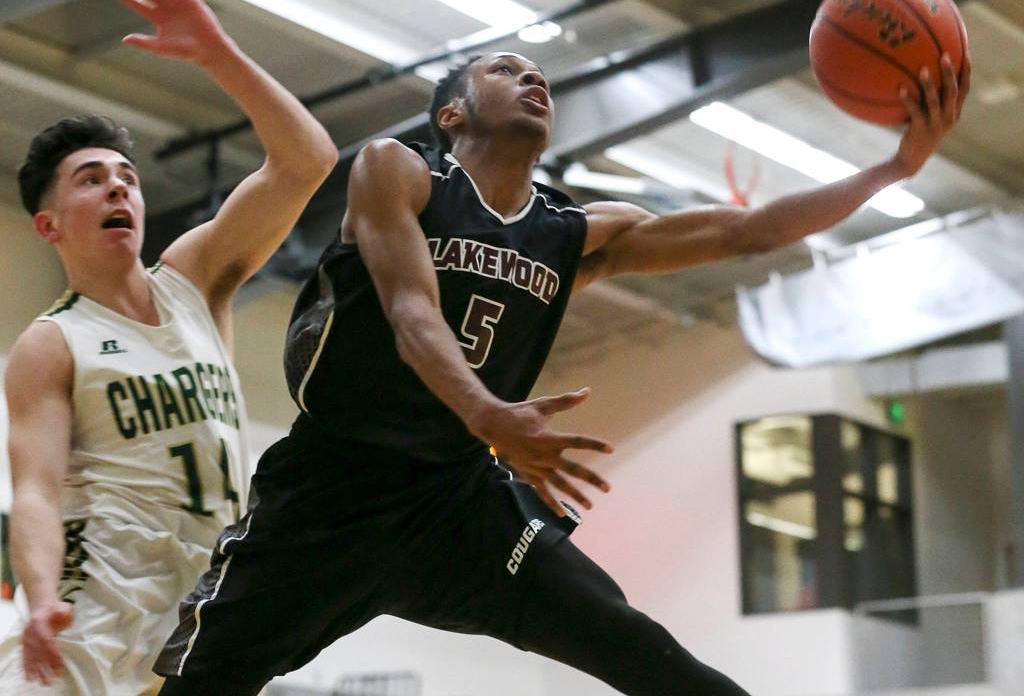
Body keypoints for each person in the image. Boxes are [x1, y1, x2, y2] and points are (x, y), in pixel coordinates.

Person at [155, 49, 969, 695]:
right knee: (200, 683)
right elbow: (410, 314)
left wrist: (892, 169)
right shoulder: (398, 172)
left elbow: (748, 232)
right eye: (504, 69)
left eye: (537, 70)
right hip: (332, 491)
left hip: (456, 502)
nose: (531, 75)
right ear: (452, 113)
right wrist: (488, 411)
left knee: (638, 647)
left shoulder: (573, 233)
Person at [0, 0, 337, 695]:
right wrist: (38, 594)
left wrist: (218, 53)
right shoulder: (52, 342)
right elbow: (34, 489)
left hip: (205, 607)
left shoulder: (195, 277)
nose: (118, 184)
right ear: (48, 225)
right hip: (95, 611)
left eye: (126, 175)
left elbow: (308, 160)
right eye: (91, 177)